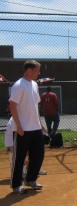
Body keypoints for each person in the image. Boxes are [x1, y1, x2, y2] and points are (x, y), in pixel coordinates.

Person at [9, 60, 45, 194]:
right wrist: (19, 126)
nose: (39, 73)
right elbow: (12, 105)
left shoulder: (34, 85)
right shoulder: (19, 85)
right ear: (29, 70)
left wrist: (40, 123)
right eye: (37, 70)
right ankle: (16, 185)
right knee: (19, 157)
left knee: (38, 155)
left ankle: (30, 179)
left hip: (35, 128)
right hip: (22, 128)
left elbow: (35, 106)